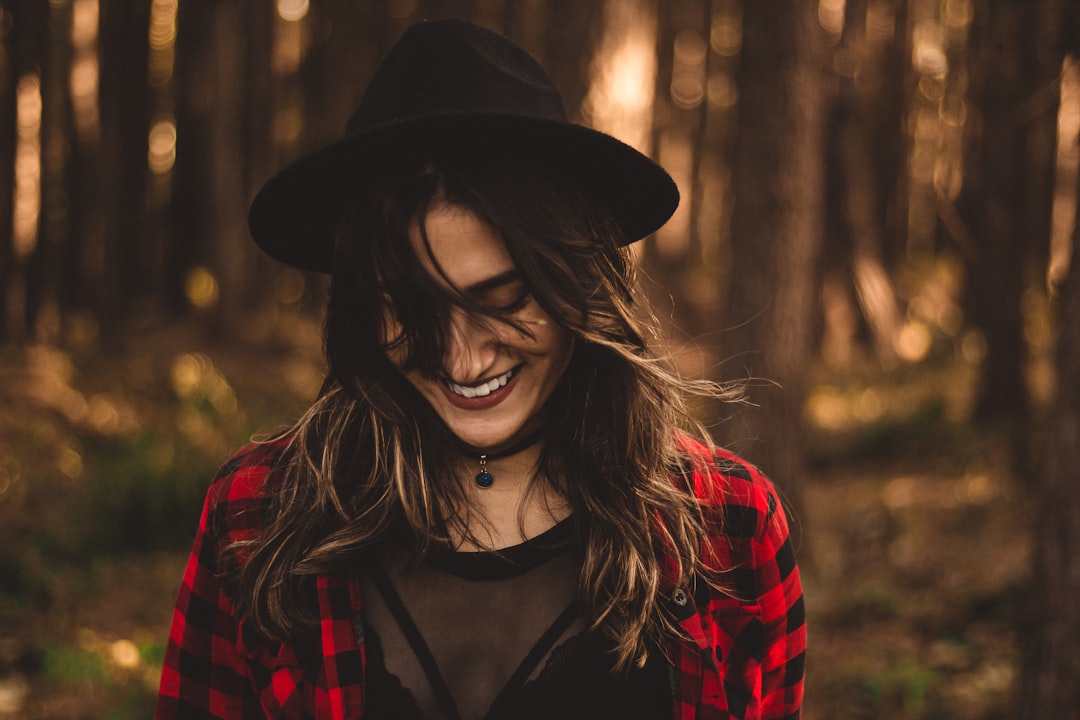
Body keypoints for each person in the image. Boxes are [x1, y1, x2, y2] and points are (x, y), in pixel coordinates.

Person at [156, 17, 805, 720]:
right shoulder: (258, 514)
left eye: (503, 300)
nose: (463, 358)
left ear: (576, 286)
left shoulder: (727, 527)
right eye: (409, 310)